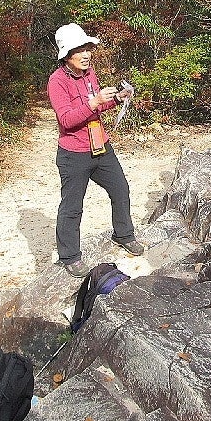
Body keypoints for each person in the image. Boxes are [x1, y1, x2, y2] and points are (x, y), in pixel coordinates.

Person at [48, 23, 144, 277]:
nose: (86, 55)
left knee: (120, 188)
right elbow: (67, 120)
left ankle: (124, 234)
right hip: (73, 153)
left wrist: (115, 99)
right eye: (79, 50)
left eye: (87, 49)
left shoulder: (90, 74)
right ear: (66, 55)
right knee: (72, 205)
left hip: (100, 144)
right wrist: (95, 101)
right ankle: (69, 256)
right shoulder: (56, 81)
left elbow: (96, 109)